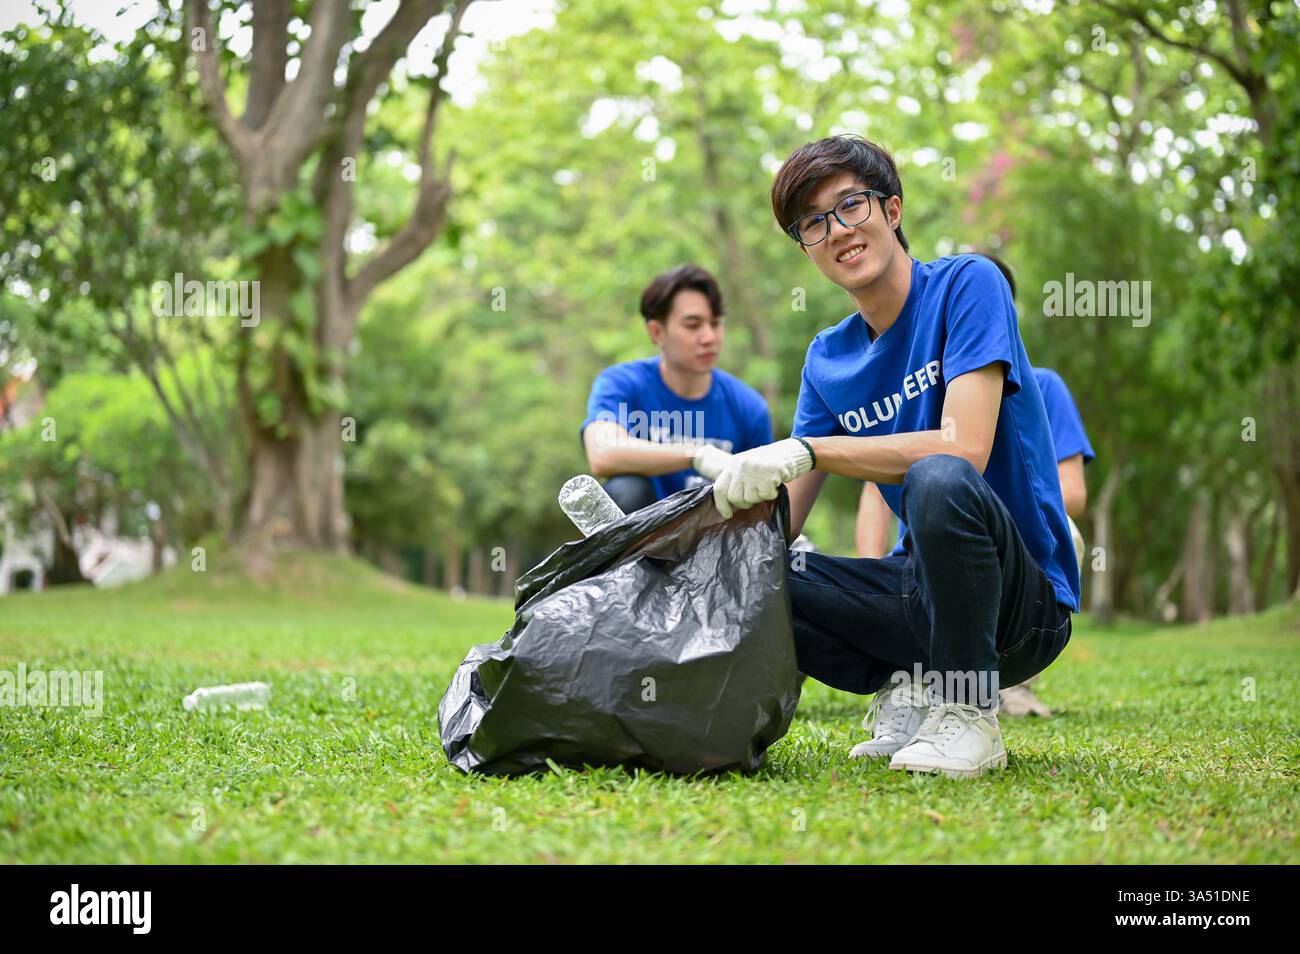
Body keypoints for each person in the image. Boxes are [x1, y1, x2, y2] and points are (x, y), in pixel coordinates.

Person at [708, 135, 1079, 778]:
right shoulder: (827, 359)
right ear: (806, 247)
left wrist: (808, 449)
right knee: (758, 569)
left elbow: (965, 446)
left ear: (893, 210)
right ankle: (910, 683)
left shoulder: (969, 285)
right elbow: (782, 524)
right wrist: (676, 545)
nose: (838, 231)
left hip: (1022, 608)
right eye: (814, 223)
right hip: (919, 602)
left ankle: (967, 711)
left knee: (939, 475)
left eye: (851, 205)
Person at [853, 255, 1095, 717]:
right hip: (932, 545)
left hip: (1020, 547)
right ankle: (917, 676)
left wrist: (990, 512)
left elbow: (1075, 493)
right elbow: (875, 490)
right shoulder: (920, 387)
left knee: (1066, 531)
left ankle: (1012, 676)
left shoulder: (1044, 386)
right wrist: (874, 575)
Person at [580, 264, 773, 513]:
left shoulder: (748, 406)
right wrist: (696, 454)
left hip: (718, 538)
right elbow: (602, 453)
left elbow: (764, 497)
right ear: (657, 332)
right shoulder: (622, 383)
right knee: (626, 488)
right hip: (643, 539)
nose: (709, 337)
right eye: (693, 326)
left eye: (715, 324)